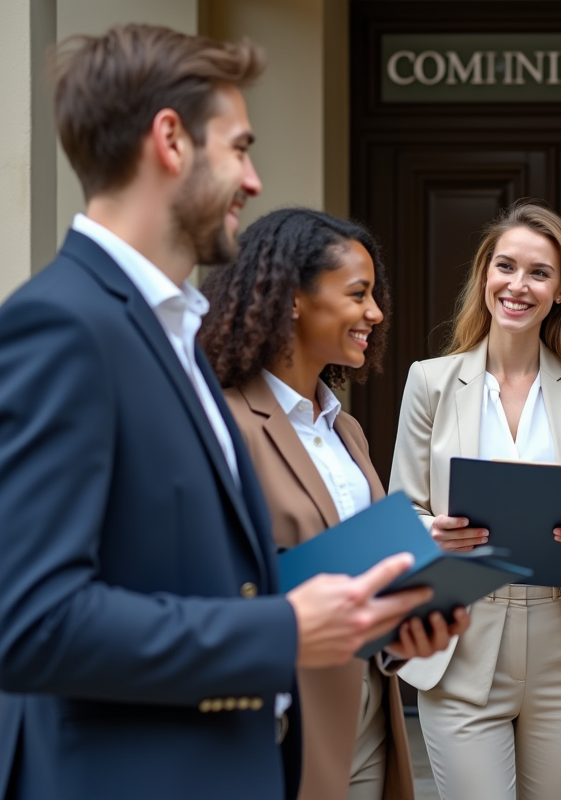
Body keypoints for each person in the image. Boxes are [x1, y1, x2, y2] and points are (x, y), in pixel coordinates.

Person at [0, 26, 430, 800]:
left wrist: (369, 622)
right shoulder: (55, 330)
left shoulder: (175, 336)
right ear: (170, 140)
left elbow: (203, 586)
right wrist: (284, 631)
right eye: (239, 148)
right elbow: (30, 628)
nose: (253, 179)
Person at [199, 207, 469, 800]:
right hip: (282, 720)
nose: (375, 312)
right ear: (292, 298)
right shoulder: (224, 424)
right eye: (358, 294)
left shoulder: (344, 429)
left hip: (370, 712)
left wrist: (405, 630)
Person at [388, 201, 561, 800]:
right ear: (484, 275)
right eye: (505, 267)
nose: (518, 286)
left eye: (539, 273)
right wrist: (428, 535)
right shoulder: (430, 382)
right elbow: (401, 516)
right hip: (463, 641)